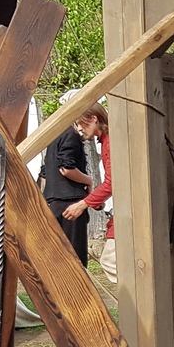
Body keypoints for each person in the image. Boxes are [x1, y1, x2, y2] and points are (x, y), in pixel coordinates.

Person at [58, 106, 117, 283]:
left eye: (80, 123)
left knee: (109, 260)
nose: (80, 129)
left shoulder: (110, 142)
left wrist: (83, 204)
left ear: (93, 119)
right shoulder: (107, 141)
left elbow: (112, 183)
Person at [42, 107, 100, 263]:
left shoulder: (54, 137)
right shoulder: (71, 135)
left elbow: (44, 174)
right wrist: (88, 181)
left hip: (53, 203)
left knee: (57, 258)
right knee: (76, 258)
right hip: (71, 202)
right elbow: (67, 169)